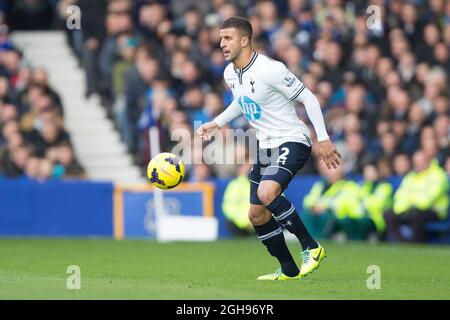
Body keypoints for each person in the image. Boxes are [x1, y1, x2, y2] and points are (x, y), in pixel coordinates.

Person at [197, 17, 341, 280]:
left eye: (227, 38)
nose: (221, 44)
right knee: (256, 214)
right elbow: (243, 102)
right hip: (265, 147)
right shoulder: (230, 73)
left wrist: (323, 138)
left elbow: (308, 97)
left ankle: (311, 247)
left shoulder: (271, 69)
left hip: (292, 139)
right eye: (220, 38)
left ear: (244, 40)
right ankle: (288, 269)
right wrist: (216, 123)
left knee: (266, 192)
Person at [383, 150, 449, 242]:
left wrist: (411, 200)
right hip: (410, 209)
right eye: (416, 162)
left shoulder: (438, 175)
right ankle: (401, 242)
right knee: (389, 214)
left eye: (421, 161)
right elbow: (400, 196)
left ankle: (415, 242)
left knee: (416, 215)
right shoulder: (410, 177)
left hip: (434, 211)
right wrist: (401, 210)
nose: (419, 164)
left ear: (428, 160)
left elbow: (428, 199)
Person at [222, 163, 254, 236]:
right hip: (241, 225)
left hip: (262, 223)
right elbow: (228, 207)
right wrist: (246, 222)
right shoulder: (235, 184)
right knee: (230, 223)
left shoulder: (264, 183)